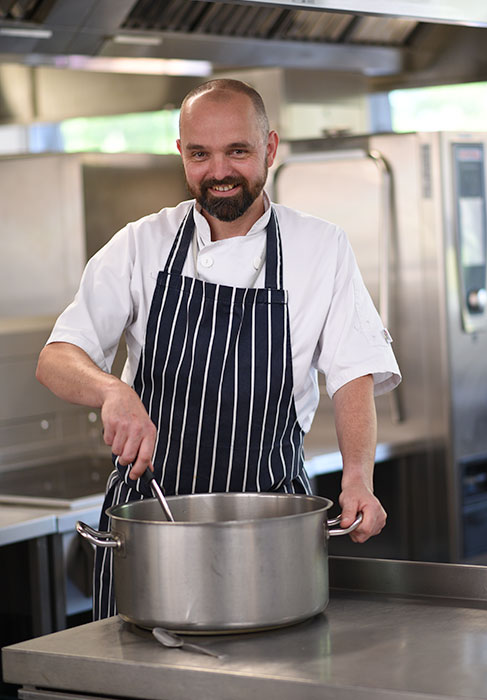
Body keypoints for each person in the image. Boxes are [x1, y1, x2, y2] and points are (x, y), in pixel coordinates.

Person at [36, 78, 401, 619]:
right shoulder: (141, 244)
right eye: (200, 154)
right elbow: (57, 357)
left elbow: (353, 373)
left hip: (269, 521)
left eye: (238, 151)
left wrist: (357, 478)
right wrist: (110, 390)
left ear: (270, 148)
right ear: (181, 153)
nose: (219, 172)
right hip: (151, 523)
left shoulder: (320, 247)